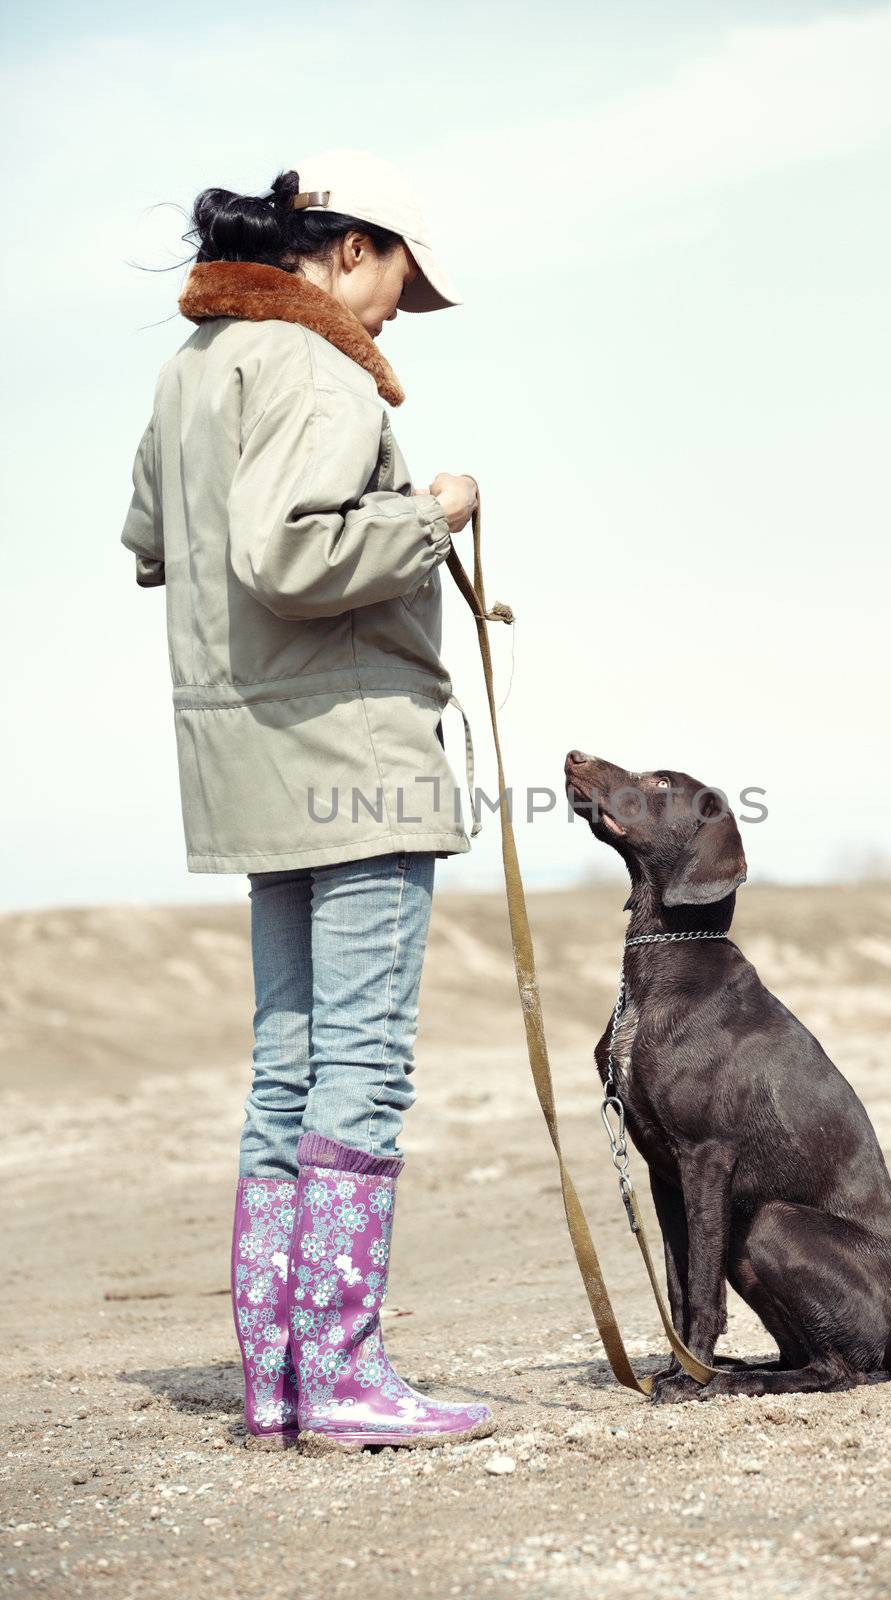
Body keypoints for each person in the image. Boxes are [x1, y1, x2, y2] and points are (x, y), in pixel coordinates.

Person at [119, 147, 495, 1452]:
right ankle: (340, 1380)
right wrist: (431, 512)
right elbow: (288, 550)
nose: (396, 312)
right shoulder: (322, 366)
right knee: (363, 1071)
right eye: (400, 281)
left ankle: (283, 1383)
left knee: (288, 1072)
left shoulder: (193, 368)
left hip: (245, 758)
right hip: (356, 766)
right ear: (350, 250)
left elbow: (156, 544)